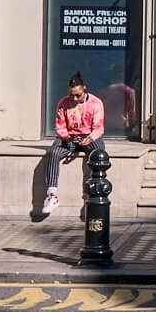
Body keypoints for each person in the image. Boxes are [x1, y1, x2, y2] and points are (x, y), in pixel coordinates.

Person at [38, 70, 106, 219]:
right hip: (70, 137)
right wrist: (67, 137)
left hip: (88, 136)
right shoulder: (63, 104)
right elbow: (60, 126)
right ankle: (52, 196)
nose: (74, 98)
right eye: (71, 95)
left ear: (84, 89)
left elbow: (99, 127)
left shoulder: (95, 103)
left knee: (99, 154)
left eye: (78, 95)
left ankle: (95, 192)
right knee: (54, 153)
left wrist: (91, 138)